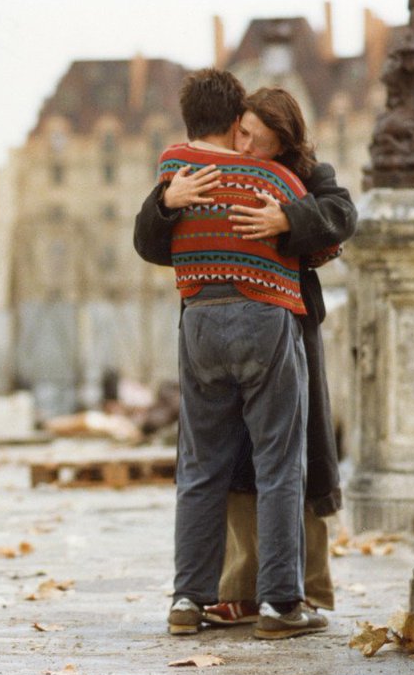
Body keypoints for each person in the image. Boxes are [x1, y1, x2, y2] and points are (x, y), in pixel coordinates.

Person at [134, 86, 355, 633]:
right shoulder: (206, 178)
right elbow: (150, 239)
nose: (248, 147)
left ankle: (191, 599)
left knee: (207, 466)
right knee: (276, 464)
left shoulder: (298, 177)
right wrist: (166, 203)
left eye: (262, 141)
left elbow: (340, 217)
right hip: (267, 321)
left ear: (285, 144)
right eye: (245, 134)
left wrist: (289, 220)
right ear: (236, 121)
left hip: (224, 320)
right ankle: (275, 601)